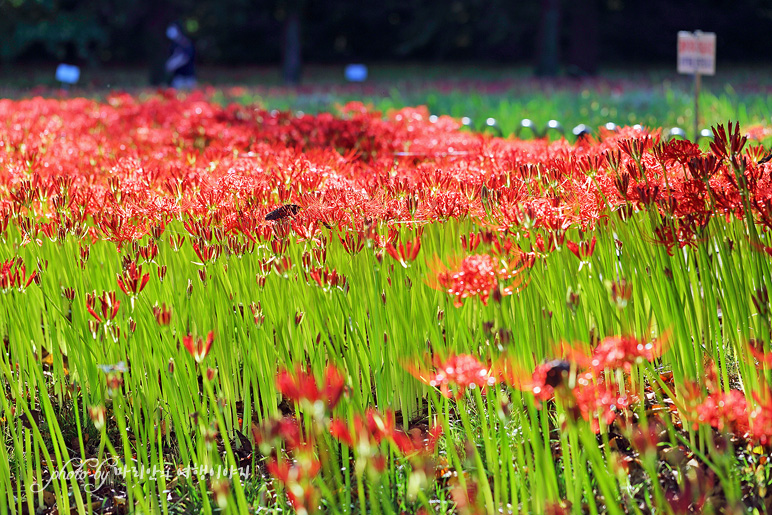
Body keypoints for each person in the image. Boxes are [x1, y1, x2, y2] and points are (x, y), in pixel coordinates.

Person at [165, 23, 196, 89]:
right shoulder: (173, 45)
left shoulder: (186, 43)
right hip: (178, 77)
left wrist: (173, 64)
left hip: (188, 77)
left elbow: (186, 58)